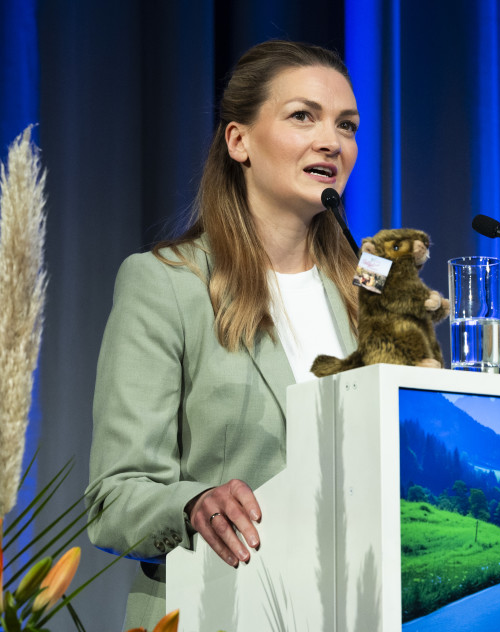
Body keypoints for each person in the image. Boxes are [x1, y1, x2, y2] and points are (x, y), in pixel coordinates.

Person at [85, 40, 362, 629]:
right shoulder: (166, 284)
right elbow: (115, 498)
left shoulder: (370, 300)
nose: (331, 141)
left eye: (346, 125)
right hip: (215, 610)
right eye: (303, 116)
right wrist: (193, 504)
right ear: (239, 141)